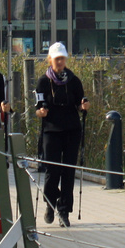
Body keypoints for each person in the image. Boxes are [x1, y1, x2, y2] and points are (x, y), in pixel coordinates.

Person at [34, 41, 88, 227]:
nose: (60, 62)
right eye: (57, 59)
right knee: (52, 170)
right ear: (50, 59)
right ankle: (51, 202)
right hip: (51, 130)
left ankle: (64, 210)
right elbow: (38, 107)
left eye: (62, 59)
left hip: (72, 130)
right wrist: (41, 112)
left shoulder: (73, 80)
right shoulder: (43, 81)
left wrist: (84, 106)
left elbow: (80, 102)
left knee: (68, 171)